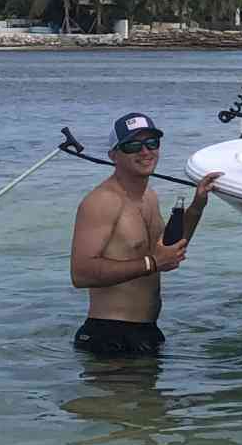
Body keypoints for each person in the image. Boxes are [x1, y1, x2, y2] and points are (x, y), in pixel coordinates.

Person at [68, 112, 222, 356]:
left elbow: (169, 250)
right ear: (113, 155)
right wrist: (152, 262)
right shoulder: (102, 201)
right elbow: (81, 273)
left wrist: (197, 205)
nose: (145, 152)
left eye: (152, 143)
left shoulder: (149, 197)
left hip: (146, 331)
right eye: (133, 145)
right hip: (109, 334)